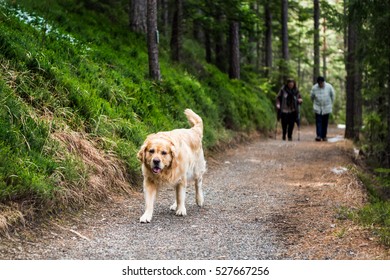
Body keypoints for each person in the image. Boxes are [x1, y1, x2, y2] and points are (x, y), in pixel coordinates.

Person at [310, 76, 335, 141]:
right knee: (318, 122)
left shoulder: (329, 87)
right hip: (317, 107)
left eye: (322, 83)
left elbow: (333, 96)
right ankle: (318, 135)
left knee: (325, 122)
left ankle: (324, 136)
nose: (321, 84)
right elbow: (312, 97)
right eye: (319, 83)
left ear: (324, 82)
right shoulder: (314, 88)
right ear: (318, 83)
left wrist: (331, 103)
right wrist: (315, 103)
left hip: (326, 107)